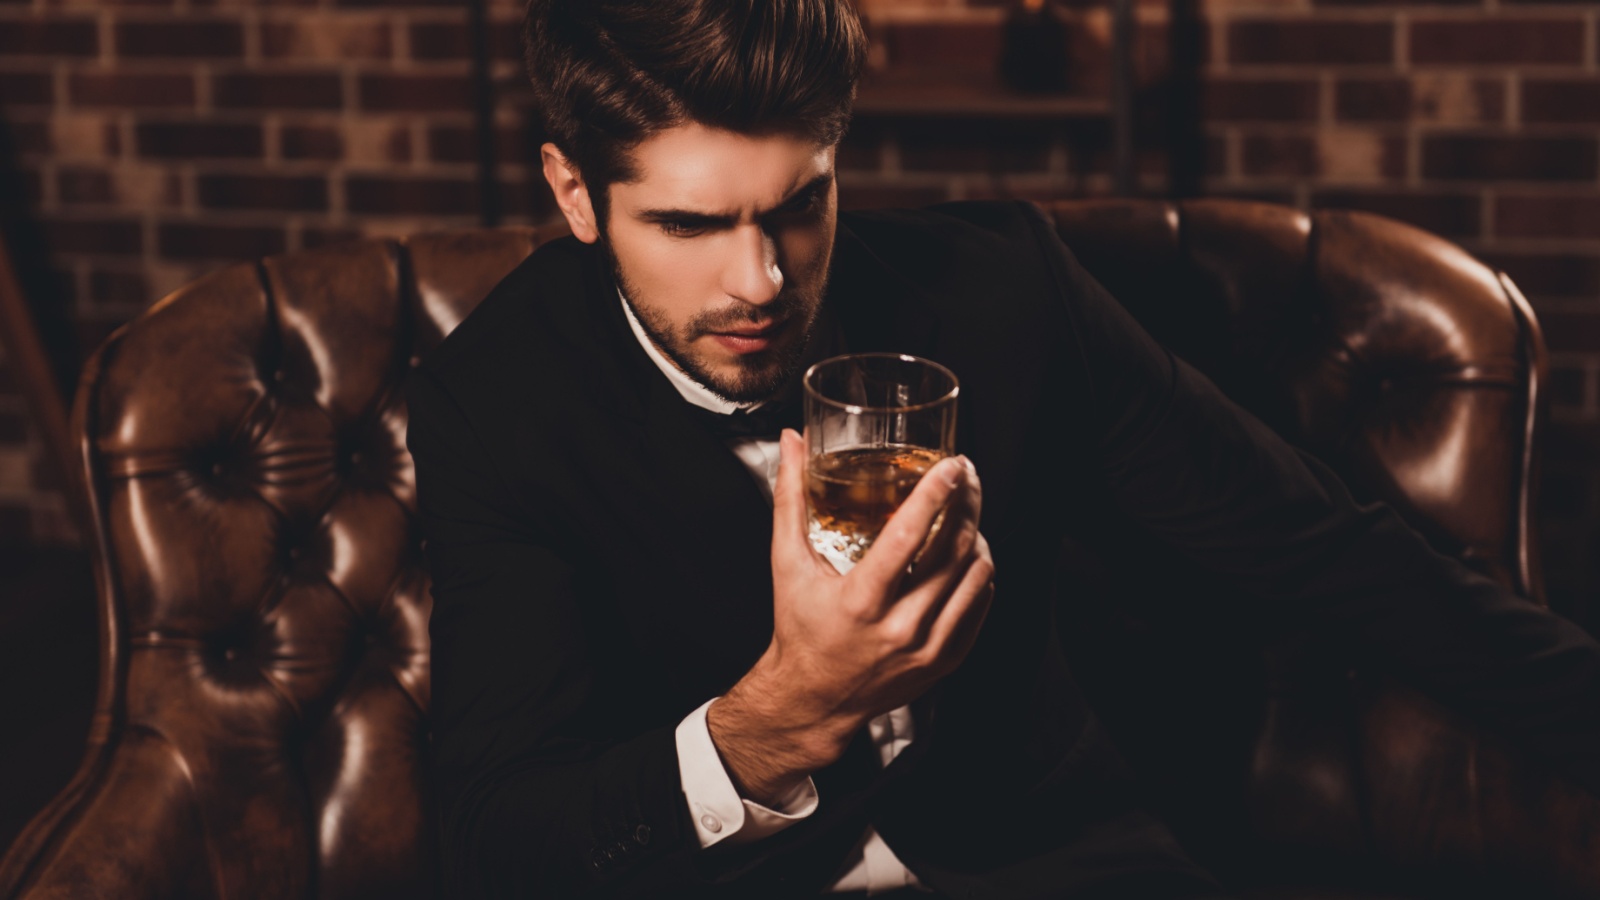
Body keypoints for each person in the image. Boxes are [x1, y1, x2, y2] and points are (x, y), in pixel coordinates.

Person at [404, 1, 1600, 897]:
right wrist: (772, 724)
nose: (759, 279)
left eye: (800, 203)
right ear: (574, 195)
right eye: (688, 223)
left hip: (1054, 861)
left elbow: (1328, 552)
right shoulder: (495, 403)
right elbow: (499, 833)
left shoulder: (1004, 295)